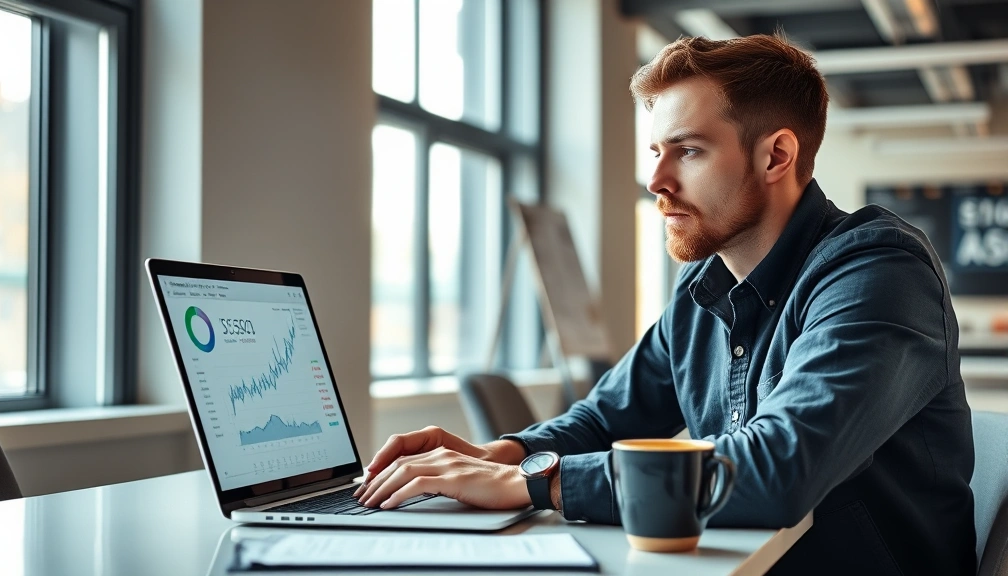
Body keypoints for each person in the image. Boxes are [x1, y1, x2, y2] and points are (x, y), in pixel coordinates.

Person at [355, 34, 975, 574]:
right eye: (657, 152)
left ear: (776, 156)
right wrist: (508, 454)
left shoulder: (879, 269)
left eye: (689, 150)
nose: (657, 182)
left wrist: (534, 484)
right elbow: (603, 419)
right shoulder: (703, 289)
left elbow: (782, 468)